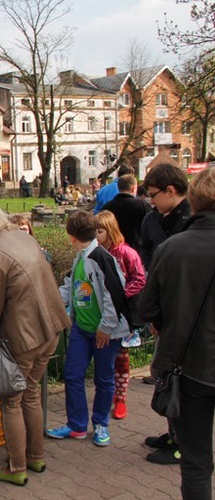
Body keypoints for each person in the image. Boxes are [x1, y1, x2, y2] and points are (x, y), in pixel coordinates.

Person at [0, 201, 70, 486]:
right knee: (30, 392)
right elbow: (24, 281)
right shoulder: (22, 236)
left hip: (24, 335)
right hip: (51, 328)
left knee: (11, 400)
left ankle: (16, 467)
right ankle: (35, 457)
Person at [139, 167, 215, 499]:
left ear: (194, 201)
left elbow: (147, 309)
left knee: (196, 462)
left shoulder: (173, 248)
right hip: (194, 365)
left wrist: (164, 318)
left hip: (192, 367)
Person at [47, 211, 129, 447]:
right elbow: (72, 287)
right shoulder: (80, 257)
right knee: (72, 374)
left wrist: (106, 327)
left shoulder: (101, 258)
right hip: (82, 328)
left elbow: (115, 296)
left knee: (104, 378)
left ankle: (101, 423)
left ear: (71, 237)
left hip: (104, 332)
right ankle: (77, 425)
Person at [138, 162, 192, 465]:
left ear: (171, 191)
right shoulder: (152, 219)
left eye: (155, 195)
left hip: (181, 312)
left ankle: (184, 442)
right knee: (163, 374)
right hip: (163, 309)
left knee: (180, 380)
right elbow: (147, 250)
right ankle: (172, 432)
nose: (151, 201)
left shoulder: (191, 221)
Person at [95, 211, 146, 420]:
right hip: (101, 313)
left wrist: (119, 294)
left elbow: (139, 278)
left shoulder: (125, 253)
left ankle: (121, 397)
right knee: (105, 357)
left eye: (99, 231)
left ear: (110, 230)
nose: (96, 236)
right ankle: (107, 393)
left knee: (121, 357)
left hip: (123, 314)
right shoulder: (95, 253)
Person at [102, 175, 151, 252]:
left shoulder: (107, 207)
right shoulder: (143, 205)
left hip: (114, 250)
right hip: (138, 249)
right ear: (133, 188)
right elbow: (150, 228)